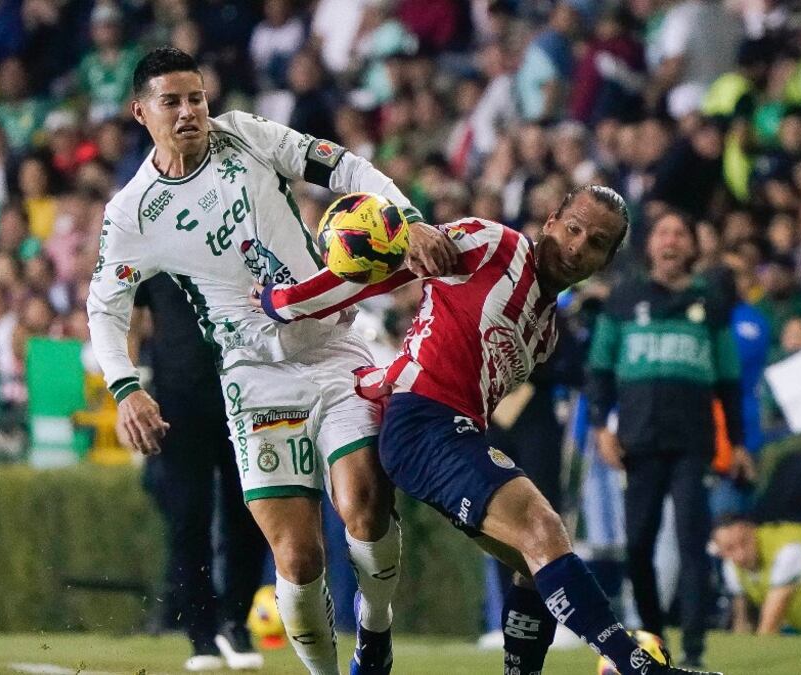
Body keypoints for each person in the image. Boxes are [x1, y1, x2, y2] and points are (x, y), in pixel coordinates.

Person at [87, 47, 458, 675]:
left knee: (364, 503)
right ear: (140, 112)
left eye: (196, 98)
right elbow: (105, 307)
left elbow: (342, 166)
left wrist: (408, 220)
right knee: (298, 557)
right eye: (171, 102)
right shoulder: (132, 213)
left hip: (331, 346)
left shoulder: (247, 135)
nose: (189, 112)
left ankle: (375, 629)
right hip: (253, 377)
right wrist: (127, 389)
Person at [258, 185, 720, 675]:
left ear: (604, 261)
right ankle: (640, 667)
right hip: (421, 421)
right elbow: (382, 269)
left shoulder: (545, 332)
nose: (578, 246)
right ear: (550, 221)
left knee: (534, 562)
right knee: (543, 529)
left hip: (458, 434)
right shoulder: (492, 243)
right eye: (573, 228)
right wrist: (285, 301)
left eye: (597, 243)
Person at [585, 210, 751, 668]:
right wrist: (600, 428)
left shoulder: (710, 302)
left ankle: (695, 649)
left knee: (692, 541)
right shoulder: (623, 298)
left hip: (692, 441)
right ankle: (653, 641)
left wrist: (738, 442)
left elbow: (729, 380)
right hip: (638, 441)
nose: (671, 241)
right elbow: (599, 369)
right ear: (650, 244)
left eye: (680, 233)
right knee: (638, 544)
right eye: (663, 233)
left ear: (693, 246)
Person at [130, 273, 269, 671]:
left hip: (244, 392)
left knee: (250, 511)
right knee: (188, 517)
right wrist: (130, 393)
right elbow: (131, 321)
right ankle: (200, 633)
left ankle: (235, 620)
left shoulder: (235, 241)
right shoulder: (153, 250)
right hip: (178, 400)